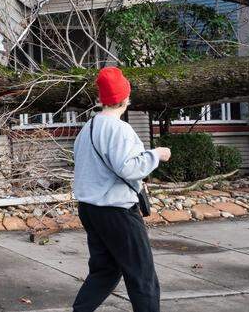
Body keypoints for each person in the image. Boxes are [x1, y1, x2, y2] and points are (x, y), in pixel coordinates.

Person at [72, 66, 172, 312]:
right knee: (142, 276)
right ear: (126, 98)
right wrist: (156, 154)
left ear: (101, 99)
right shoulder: (120, 130)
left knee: (105, 270)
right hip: (117, 211)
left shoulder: (88, 129)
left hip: (89, 209)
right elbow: (129, 168)